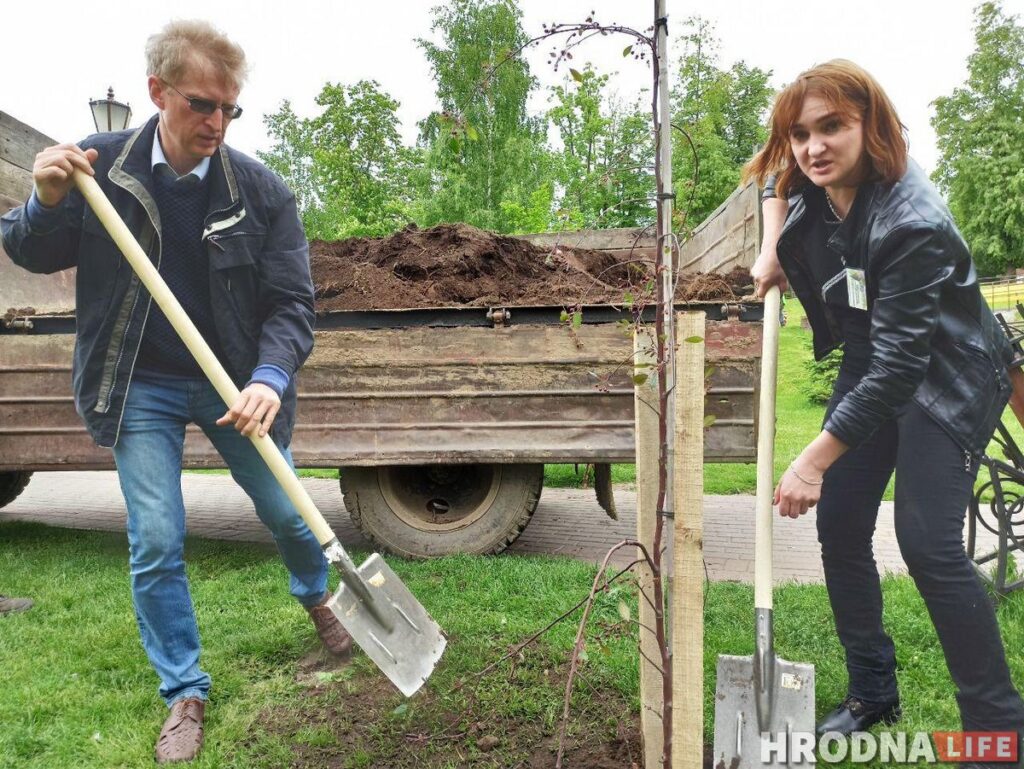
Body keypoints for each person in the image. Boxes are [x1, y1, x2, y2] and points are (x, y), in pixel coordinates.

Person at [1, 20, 350, 764]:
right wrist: (46, 197)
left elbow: (292, 305)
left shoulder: (260, 190)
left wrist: (269, 377)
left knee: (292, 513)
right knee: (156, 538)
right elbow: (30, 249)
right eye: (201, 105)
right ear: (157, 91)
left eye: (230, 108)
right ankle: (183, 689)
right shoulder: (99, 170)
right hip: (140, 383)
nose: (217, 123)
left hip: (234, 384)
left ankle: (321, 598)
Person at [746, 59, 1024, 760]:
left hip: (949, 372)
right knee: (840, 523)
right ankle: (873, 690)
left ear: (871, 124)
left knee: (926, 538)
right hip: (880, 360)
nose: (813, 147)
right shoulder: (821, 187)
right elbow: (774, 179)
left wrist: (811, 459)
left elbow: (904, 369)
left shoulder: (912, 221)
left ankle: (1001, 729)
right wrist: (771, 246)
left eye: (832, 126)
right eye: (803, 132)